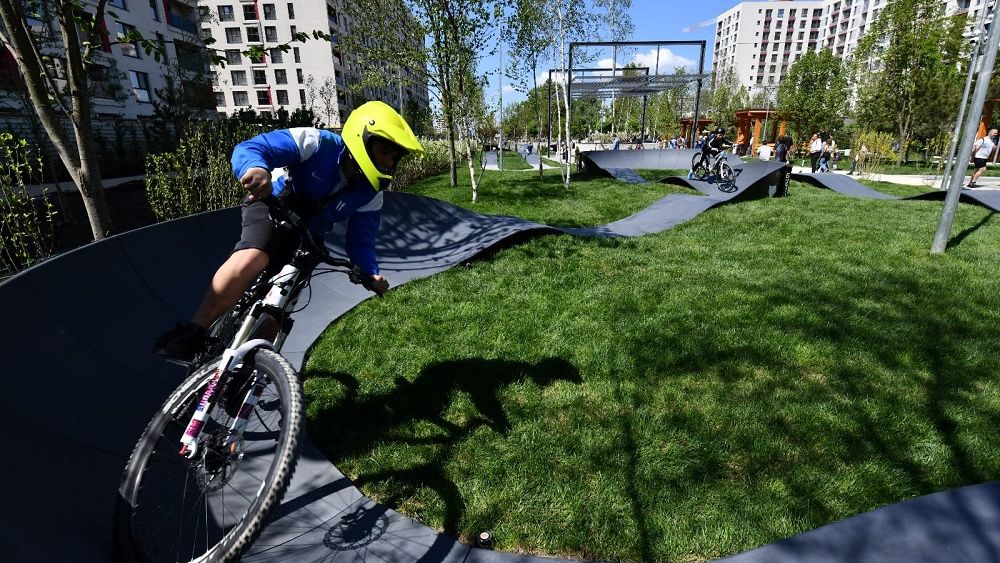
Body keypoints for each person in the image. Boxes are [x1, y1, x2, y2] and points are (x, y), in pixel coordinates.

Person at [153, 101, 424, 363]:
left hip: (309, 235)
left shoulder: (371, 192)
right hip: (272, 205)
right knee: (254, 256)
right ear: (362, 138)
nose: (389, 162)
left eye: (394, 157)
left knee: (278, 311)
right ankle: (193, 331)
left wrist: (369, 271)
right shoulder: (317, 142)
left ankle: (249, 371)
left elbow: (361, 240)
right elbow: (252, 148)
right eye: (385, 151)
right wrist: (256, 168)